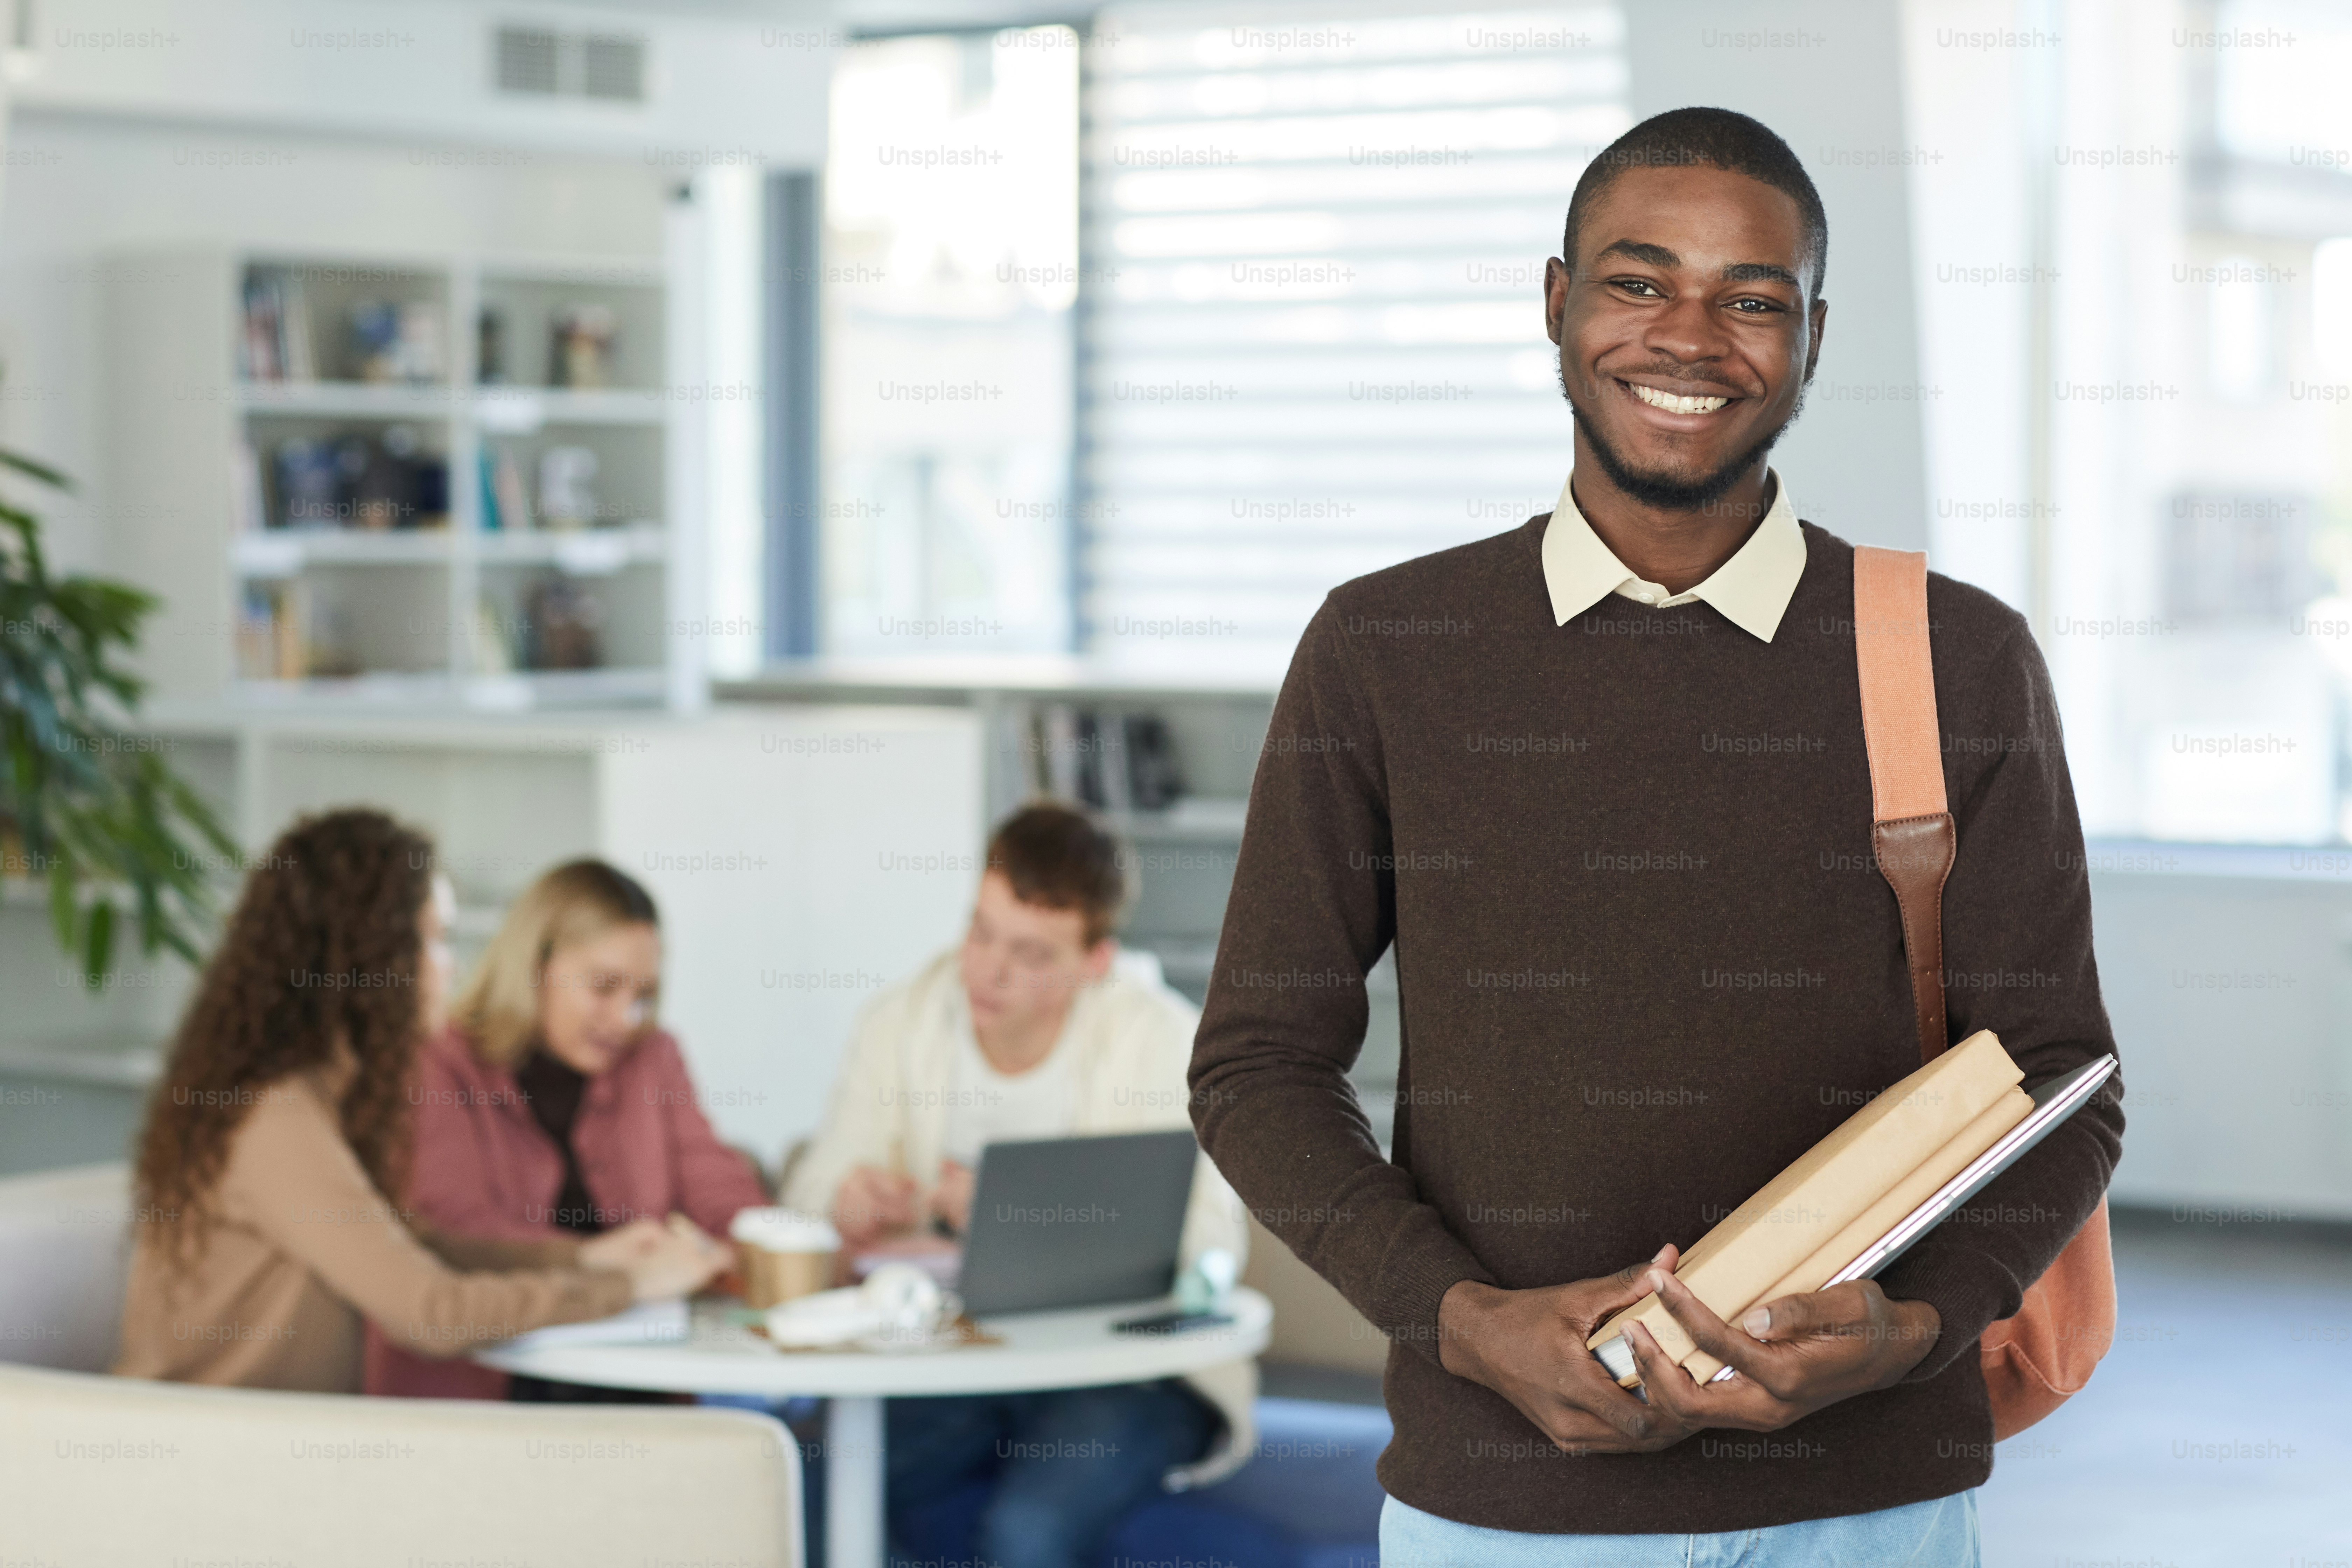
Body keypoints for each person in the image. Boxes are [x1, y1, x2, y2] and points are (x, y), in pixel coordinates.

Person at [1189, 107, 2123, 1567]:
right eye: (1639, 282)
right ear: (1556, 299)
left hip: (1865, 1501)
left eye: (1753, 298)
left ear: (1814, 335)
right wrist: (1464, 1321)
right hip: (1503, 1506)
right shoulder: (1388, 647)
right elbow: (1256, 1065)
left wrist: (1915, 1330)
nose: (1691, 337)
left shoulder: (1956, 654)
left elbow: (2065, 1075)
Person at [782, 802, 1254, 1568]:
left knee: (1025, 1533)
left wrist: (1021, 1219)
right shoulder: (900, 1019)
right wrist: (845, 1198)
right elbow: (807, 1196)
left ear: (1095, 959)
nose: (988, 970)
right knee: (805, 1485)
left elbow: (1206, 1251)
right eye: (981, 931)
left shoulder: (1161, 1039)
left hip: (1126, 1375)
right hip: (955, 1361)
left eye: (1032, 953)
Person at [115, 810, 723, 1392]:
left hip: (274, 1444)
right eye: (434, 941)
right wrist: (623, 1286)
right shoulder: (275, 1118)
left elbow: (419, 1249)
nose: (451, 967)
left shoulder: (329, 1101)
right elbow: (433, 1312)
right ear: (365, 962)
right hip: (205, 1453)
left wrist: (586, 1259)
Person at [365, 859, 770, 1401]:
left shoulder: (655, 1057)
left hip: (637, 1378)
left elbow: (719, 1187)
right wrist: (602, 1262)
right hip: (491, 1385)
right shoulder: (440, 1061)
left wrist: (757, 1241)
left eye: (644, 994)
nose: (627, 1018)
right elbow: (453, 1231)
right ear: (534, 966)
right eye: (604, 987)